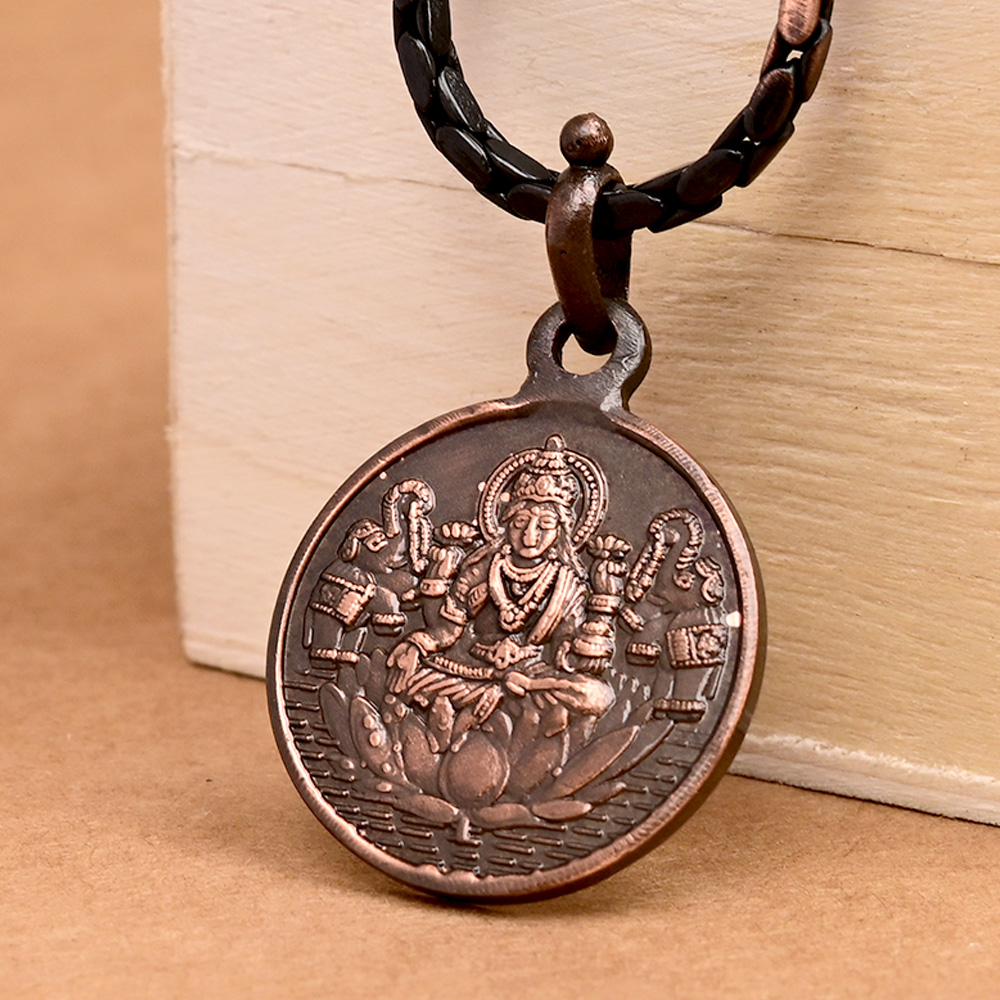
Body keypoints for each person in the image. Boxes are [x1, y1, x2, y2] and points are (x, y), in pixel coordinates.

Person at [387, 436, 615, 746]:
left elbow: (565, 653)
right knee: (408, 678)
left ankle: (494, 711)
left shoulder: (567, 583)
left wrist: (595, 626)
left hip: (531, 675)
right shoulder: (482, 567)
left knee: (596, 695)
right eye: (520, 523)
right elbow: (447, 630)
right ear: (506, 523)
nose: (530, 536)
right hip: (473, 669)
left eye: (545, 525)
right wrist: (416, 645)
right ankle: (492, 706)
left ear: (562, 531)